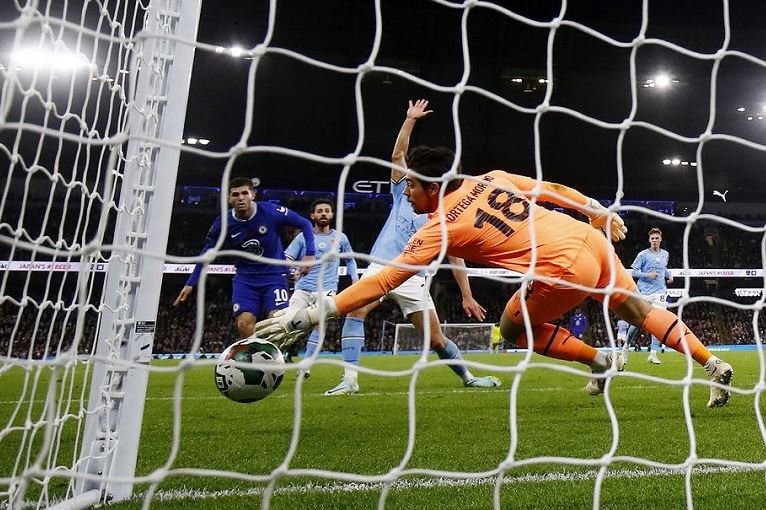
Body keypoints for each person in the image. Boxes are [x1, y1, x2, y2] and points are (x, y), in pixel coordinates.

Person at [256, 135, 734, 408]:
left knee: (510, 327)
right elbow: (549, 187)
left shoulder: (439, 228)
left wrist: (310, 315)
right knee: (634, 307)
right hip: (586, 238)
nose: (405, 196)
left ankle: (600, 360)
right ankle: (712, 364)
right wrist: (599, 211)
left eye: (409, 190)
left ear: (427, 185)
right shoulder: (494, 178)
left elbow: (383, 281)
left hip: (560, 264)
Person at [322, 99, 501, 396]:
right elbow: (398, 154)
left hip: (414, 279)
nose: (408, 188)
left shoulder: (445, 217)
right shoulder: (403, 192)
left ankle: (468, 377)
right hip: (381, 268)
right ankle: (349, 380)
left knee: (436, 341)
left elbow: (456, 259)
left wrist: (467, 296)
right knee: (355, 312)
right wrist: (410, 120)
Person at [173, 177, 316, 339]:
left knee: (277, 321)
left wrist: (310, 254)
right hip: (246, 279)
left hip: (274, 276)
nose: (240, 198)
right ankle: (255, 358)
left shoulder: (270, 212)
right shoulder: (223, 224)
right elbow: (207, 253)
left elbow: (305, 223)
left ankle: (272, 360)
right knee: (244, 324)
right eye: (235, 194)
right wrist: (191, 283)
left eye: (244, 193)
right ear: (228, 199)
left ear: (252, 195)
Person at [284, 198, 358, 378]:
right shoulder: (303, 237)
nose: (323, 213)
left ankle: (305, 367)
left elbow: (350, 259)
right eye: (319, 211)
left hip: (327, 290)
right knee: (287, 324)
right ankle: (281, 356)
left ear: (332, 214)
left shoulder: (340, 238)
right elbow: (287, 257)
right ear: (312, 215)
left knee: (319, 327)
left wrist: (355, 279)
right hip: (302, 289)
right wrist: (292, 270)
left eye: (327, 210)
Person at [624, 227, 674, 364]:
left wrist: (669, 275)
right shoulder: (643, 255)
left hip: (660, 292)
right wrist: (647, 274)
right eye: (652, 238)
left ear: (660, 240)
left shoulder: (665, 254)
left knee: (658, 321)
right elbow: (633, 272)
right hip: (644, 292)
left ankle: (653, 353)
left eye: (657, 238)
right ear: (649, 240)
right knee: (638, 322)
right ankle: (626, 347)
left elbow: (663, 268)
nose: (655, 240)